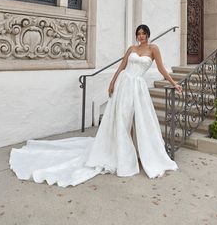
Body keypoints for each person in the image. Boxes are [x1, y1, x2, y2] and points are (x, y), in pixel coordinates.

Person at [9, 25, 181, 187]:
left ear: (148, 35)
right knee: (122, 118)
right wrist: (112, 83)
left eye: (143, 33)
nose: (141, 36)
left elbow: (161, 69)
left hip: (138, 88)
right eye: (139, 33)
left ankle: (137, 152)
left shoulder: (153, 49)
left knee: (138, 119)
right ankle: (126, 154)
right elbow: (121, 67)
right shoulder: (132, 49)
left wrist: (174, 83)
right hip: (124, 84)